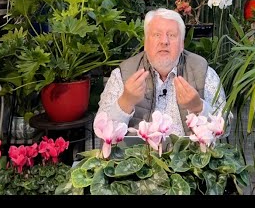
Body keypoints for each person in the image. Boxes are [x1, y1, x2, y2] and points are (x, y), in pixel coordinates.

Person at [96, 8, 229, 136]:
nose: (164, 41)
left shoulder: (203, 72)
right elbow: (100, 131)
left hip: (189, 156)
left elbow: (225, 127)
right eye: (157, 35)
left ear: (182, 44)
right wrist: (126, 101)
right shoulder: (123, 74)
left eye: (171, 35)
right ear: (146, 42)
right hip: (139, 157)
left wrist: (199, 108)